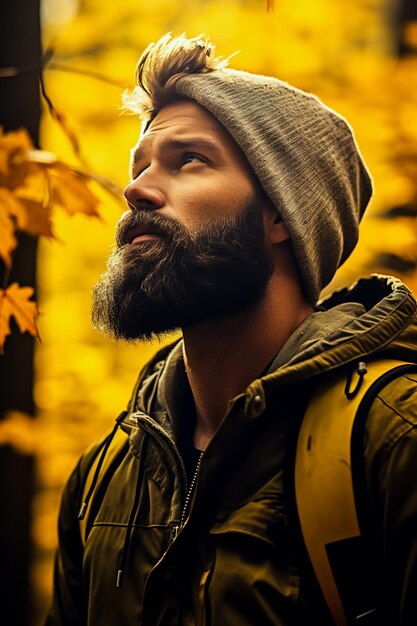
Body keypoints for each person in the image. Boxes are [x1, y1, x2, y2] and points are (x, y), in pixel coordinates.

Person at [46, 33, 417, 626]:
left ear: (279, 215)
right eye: (139, 167)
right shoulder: (103, 476)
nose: (135, 189)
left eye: (188, 160)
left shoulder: (393, 439)